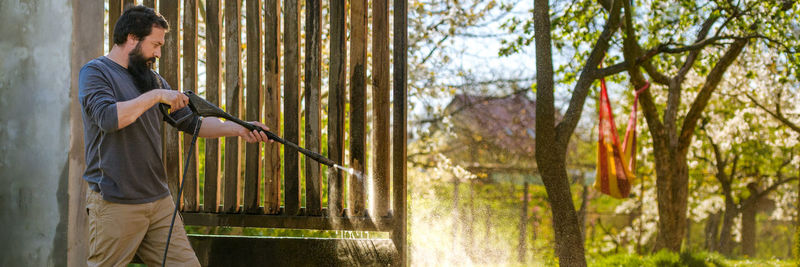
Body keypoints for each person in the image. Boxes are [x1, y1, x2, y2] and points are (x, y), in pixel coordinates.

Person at [78, 5, 271, 266]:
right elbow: (109, 118)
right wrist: (157, 96)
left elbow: (193, 123)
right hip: (116, 201)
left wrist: (240, 128)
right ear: (132, 38)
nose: (158, 53)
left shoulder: (152, 79)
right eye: (155, 44)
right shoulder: (96, 72)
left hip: (158, 202)